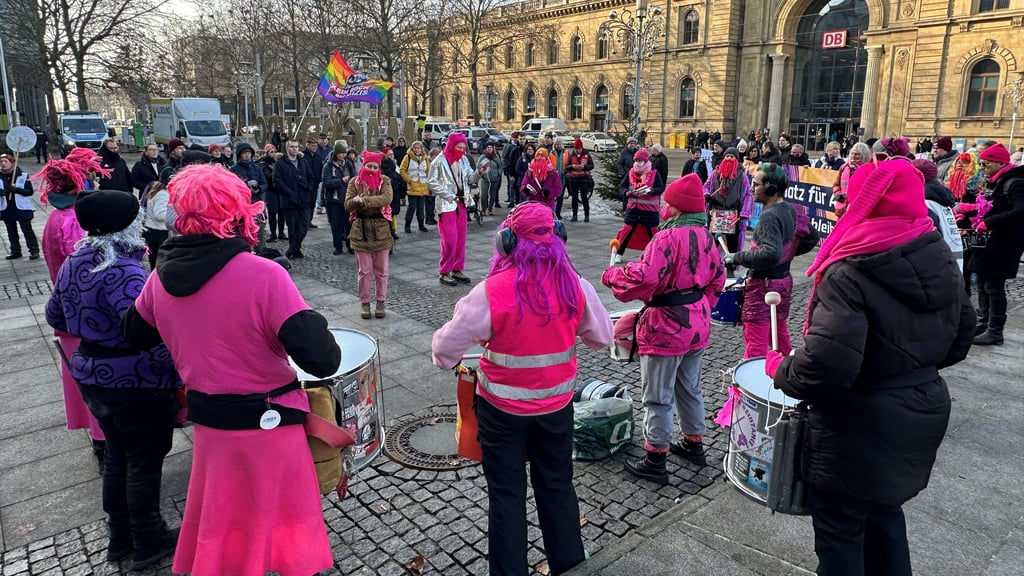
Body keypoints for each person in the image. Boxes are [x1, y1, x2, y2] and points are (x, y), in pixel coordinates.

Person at [120, 164, 340, 576]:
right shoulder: (263, 274)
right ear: (239, 215)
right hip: (270, 423)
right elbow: (323, 358)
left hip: (211, 426)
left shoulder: (159, 279)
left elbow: (134, 335)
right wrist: (310, 316)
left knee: (227, 521)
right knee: (286, 523)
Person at [767, 159, 974, 576]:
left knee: (841, 534)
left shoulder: (852, 267)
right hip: (918, 409)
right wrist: (908, 367)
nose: (842, 205)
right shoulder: (935, 251)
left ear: (868, 202)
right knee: (884, 518)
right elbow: (961, 336)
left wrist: (780, 368)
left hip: (857, 426)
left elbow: (826, 368)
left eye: (850, 196)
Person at [431, 202, 613, 576]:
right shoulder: (575, 286)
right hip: (557, 411)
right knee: (558, 490)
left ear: (506, 243)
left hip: (501, 414)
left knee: (507, 499)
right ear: (559, 237)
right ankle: (570, 567)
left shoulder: (489, 292)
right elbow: (603, 337)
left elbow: (442, 352)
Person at [46, 190, 182, 571]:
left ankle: (119, 538)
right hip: (133, 380)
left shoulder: (77, 258)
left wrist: (92, 326)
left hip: (91, 373)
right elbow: (148, 330)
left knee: (118, 458)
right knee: (143, 461)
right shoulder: (126, 270)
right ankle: (147, 541)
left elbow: (54, 313)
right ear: (129, 225)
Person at [602, 174, 726, 483]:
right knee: (690, 386)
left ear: (678, 209)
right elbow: (719, 278)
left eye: (666, 204)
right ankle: (693, 444)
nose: (662, 208)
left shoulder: (666, 239)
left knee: (657, 395)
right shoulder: (708, 237)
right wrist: (700, 307)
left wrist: (613, 276)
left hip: (666, 327)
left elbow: (644, 279)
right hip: (697, 325)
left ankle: (655, 458)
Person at [35, 158, 109, 469]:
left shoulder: (55, 217)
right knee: (98, 380)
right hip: (87, 315)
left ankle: (100, 439)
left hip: (68, 311)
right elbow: (87, 267)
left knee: (82, 378)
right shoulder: (72, 221)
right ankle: (104, 443)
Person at [725, 163, 818, 359]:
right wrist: (788, 253)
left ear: (771, 188)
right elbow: (811, 237)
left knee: (755, 344)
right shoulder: (789, 209)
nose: (751, 188)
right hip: (783, 282)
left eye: (756, 184)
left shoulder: (769, 216)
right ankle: (790, 377)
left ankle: (752, 385)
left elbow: (770, 254)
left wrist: (736, 257)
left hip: (763, 286)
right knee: (780, 335)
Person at [970, 143, 1024, 346]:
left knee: (994, 285)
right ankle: (983, 323)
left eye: (985, 163)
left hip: (1005, 241)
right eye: (981, 163)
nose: (982, 167)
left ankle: (995, 330)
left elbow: (1021, 210)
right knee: (983, 281)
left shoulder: (1015, 182)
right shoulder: (995, 181)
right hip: (991, 240)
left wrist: (989, 222)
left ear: (999, 163)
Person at [346, 152, 394, 318]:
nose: (372, 169)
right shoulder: (354, 182)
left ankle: (381, 301)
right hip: (361, 232)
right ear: (364, 165)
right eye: (369, 166)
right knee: (364, 271)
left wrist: (364, 201)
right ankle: (365, 303)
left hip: (381, 231)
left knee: (382, 271)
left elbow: (386, 198)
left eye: (375, 167)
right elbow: (347, 204)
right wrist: (355, 201)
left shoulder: (385, 180)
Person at [428, 132, 479, 286]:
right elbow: (431, 182)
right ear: (451, 145)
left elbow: (470, 178)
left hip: (462, 203)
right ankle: (444, 271)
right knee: (450, 240)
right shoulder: (438, 161)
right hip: (446, 204)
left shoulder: (463, 160)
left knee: (461, 239)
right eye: (459, 147)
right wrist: (448, 195)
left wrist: (480, 172)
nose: (462, 150)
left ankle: (457, 269)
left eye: (464, 147)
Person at [615, 148, 665, 260]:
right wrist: (626, 192)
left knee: (652, 234)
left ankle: (656, 255)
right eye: (636, 160)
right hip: (633, 210)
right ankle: (619, 253)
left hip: (649, 210)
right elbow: (622, 187)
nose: (638, 162)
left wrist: (652, 190)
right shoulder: (630, 172)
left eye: (640, 160)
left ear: (646, 161)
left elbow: (660, 188)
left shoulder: (654, 173)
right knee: (626, 232)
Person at [703, 147, 753, 254]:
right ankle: (713, 264)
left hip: (733, 214)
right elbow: (706, 186)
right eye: (727, 156)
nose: (729, 159)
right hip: (716, 212)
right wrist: (706, 194)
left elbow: (748, 194)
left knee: (732, 245)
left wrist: (744, 212)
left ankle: (731, 265)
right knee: (714, 243)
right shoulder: (715, 173)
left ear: (736, 160)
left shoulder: (742, 176)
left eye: (732, 157)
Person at [273, 139, 313, 259]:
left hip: (303, 199)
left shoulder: (303, 162)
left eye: (296, 147)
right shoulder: (280, 163)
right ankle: (296, 250)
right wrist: (289, 192)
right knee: (293, 227)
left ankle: (291, 250)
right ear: (287, 148)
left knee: (304, 226)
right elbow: (277, 181)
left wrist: (309, 188)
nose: (294, 149)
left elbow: (311, 177)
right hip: (289, 200)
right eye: (292, 147)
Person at [0, 154, 40, 260]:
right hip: (6, 207)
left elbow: (29, 191)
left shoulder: (22, 175)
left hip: (22, 208)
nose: (3, 164)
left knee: (27, 230)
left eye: (5, 161)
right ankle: (15, 251)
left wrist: (17, 190)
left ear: (12, 163)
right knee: (11, 231)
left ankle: (34, 250)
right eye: (1, 162)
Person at [322, 143, 354, 255]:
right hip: (334, 201)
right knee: (336, 225)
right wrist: (341, 181)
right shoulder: (328, 166)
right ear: (336, 154)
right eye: (341, 153)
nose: (343, 155)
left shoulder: (348, 164)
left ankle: (351, 246)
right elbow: (326, 183)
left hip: (347, 199)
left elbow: (354, 178)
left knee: (349, 225)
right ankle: (338, 247)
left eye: (344, 153)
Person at [832, 143, 871, 217]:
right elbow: (836, 185)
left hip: (858, 211)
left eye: (857, 154)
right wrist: (838, 193)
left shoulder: (868, 169)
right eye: (852, 153)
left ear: (864, 155)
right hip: (842, 209)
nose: (853, 156)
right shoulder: (844, 167)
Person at [400, 140, 431, 231]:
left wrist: (428, 182)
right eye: (415, 148)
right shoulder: (408, 157)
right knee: (411, 207)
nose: (417, 150)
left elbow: (428, 171)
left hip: (422, 186)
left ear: (422, 149)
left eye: (418, 148)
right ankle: (407, 225)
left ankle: (421, 225)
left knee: (421, 208)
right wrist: (409, 180)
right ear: (412, 149)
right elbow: (402, 170)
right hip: (413, 186)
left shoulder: (425, 158)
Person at [520, 146, 561, 211]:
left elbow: (558, 188)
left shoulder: (553, 173)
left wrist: (549, 192)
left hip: (547, 205)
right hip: (532, 205)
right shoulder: (530, 171)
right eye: (538, 155)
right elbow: (523, 185)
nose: (540, 158)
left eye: (542, 156)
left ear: (546, 158)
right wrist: (526, 189)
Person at [563, 138, 594, 222]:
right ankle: (574, 215)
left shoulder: (587, 154)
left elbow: (591, 166)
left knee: (584, 197)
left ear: (582, 148)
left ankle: (586, 215)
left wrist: (584, 167)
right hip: (574, 179)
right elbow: (566, 167)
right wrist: (572, 167)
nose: (578, 150)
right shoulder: (572, 155)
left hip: (584, 179)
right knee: (574, 198)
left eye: (579, 149)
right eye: (576, 149)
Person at [141, 182, 170, 269]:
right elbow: (160, 214)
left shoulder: (156, 191)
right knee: (159, 262)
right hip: (159, 232)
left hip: (151, 230)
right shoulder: (162, 194)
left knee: (154, 261)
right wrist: (176, 214)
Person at [476, 143, 503, 217]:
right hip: (485, 179)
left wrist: (498, 174)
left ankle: (490, 209)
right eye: (488, 147)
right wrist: (481, 173)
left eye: (491, 147)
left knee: (493, 194)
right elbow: (478, 166)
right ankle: (484, 209)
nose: (489, 149)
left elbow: (500, 166)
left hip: (495, 179)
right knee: (484, 194)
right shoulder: (483, 157)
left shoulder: (496, 157)